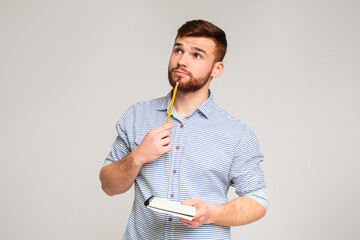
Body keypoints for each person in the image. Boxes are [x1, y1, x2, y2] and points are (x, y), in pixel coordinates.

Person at [100, 19, 268, 239]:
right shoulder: (136, 116)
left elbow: (258, 200)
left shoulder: (236, 134)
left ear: (217, 69)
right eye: (178, 50)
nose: (181, 61)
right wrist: (138, 156)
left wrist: (210, 213)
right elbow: (108, 186)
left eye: (196, 55)